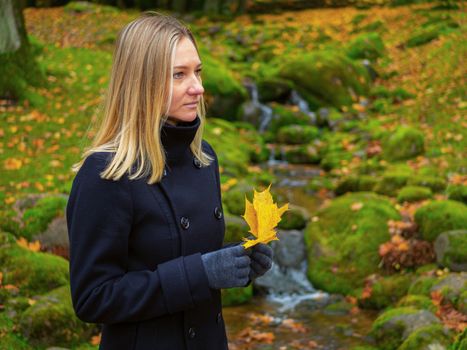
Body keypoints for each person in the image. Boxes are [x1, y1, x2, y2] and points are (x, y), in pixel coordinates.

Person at [66, 11, 273, 350]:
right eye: (179, 75)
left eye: (198, 71)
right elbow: (93, 297)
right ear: (141, 83)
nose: (199, 87)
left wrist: (236, 262)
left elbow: (188, 253)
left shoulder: (203, 157)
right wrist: (202, 273)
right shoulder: (106, 174)